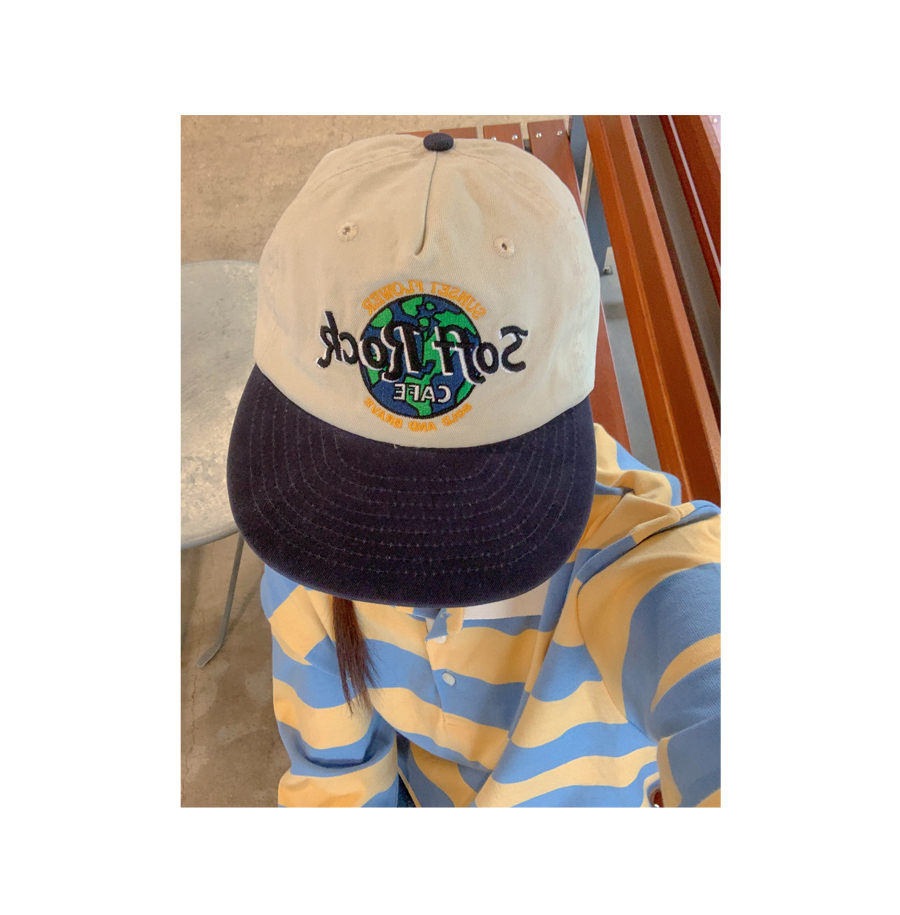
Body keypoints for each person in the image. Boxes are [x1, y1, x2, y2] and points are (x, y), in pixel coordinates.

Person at [226, 131, 721, 808]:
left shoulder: (622, 540)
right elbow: (334, 775)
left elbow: (701, 645)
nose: (413, 565)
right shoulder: (304, 562)